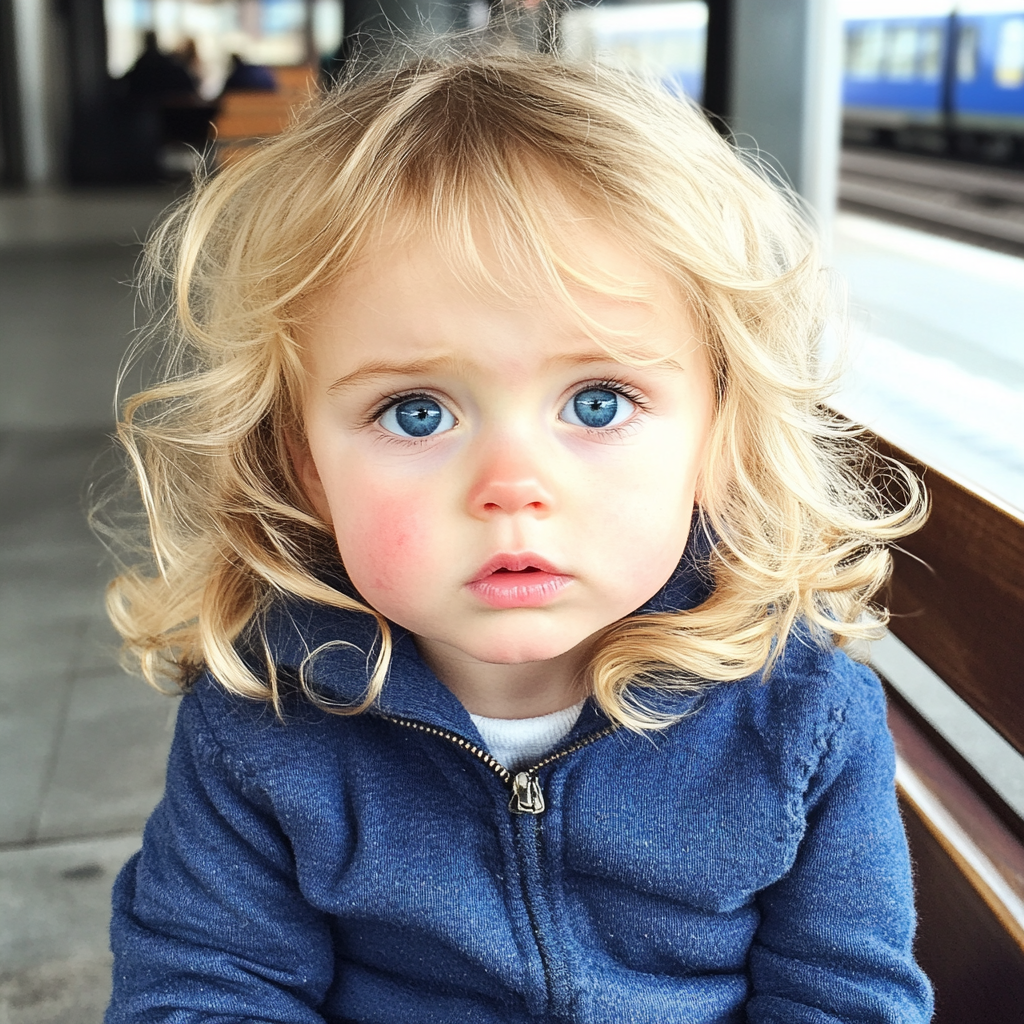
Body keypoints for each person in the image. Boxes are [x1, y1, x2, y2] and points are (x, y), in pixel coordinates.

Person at [103, 47, 933, 1024]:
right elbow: (205, 988)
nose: (511, 488)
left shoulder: (797, 720)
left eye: (596, 400)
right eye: (417, 412)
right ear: (303, 466)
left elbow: (842, 996)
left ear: (718, 438)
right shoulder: (262, 720)